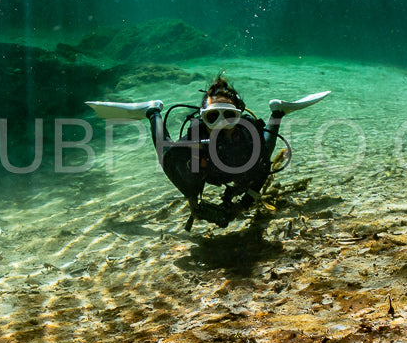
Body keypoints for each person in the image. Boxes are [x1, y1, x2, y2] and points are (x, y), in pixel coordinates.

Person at [88, 75, 330, 230]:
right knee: (168, 157)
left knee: (263, 153)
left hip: (237, 167)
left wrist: (243, 205)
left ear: (240, 114)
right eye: (213, 116)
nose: (222, 123)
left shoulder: (247, 131)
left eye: (230, 115)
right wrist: (193, 199)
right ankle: (153, 112)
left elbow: (263, 169)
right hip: (209, 171)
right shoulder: (196, 131)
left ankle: (277, 112)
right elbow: (173, 160)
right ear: (203, 116)